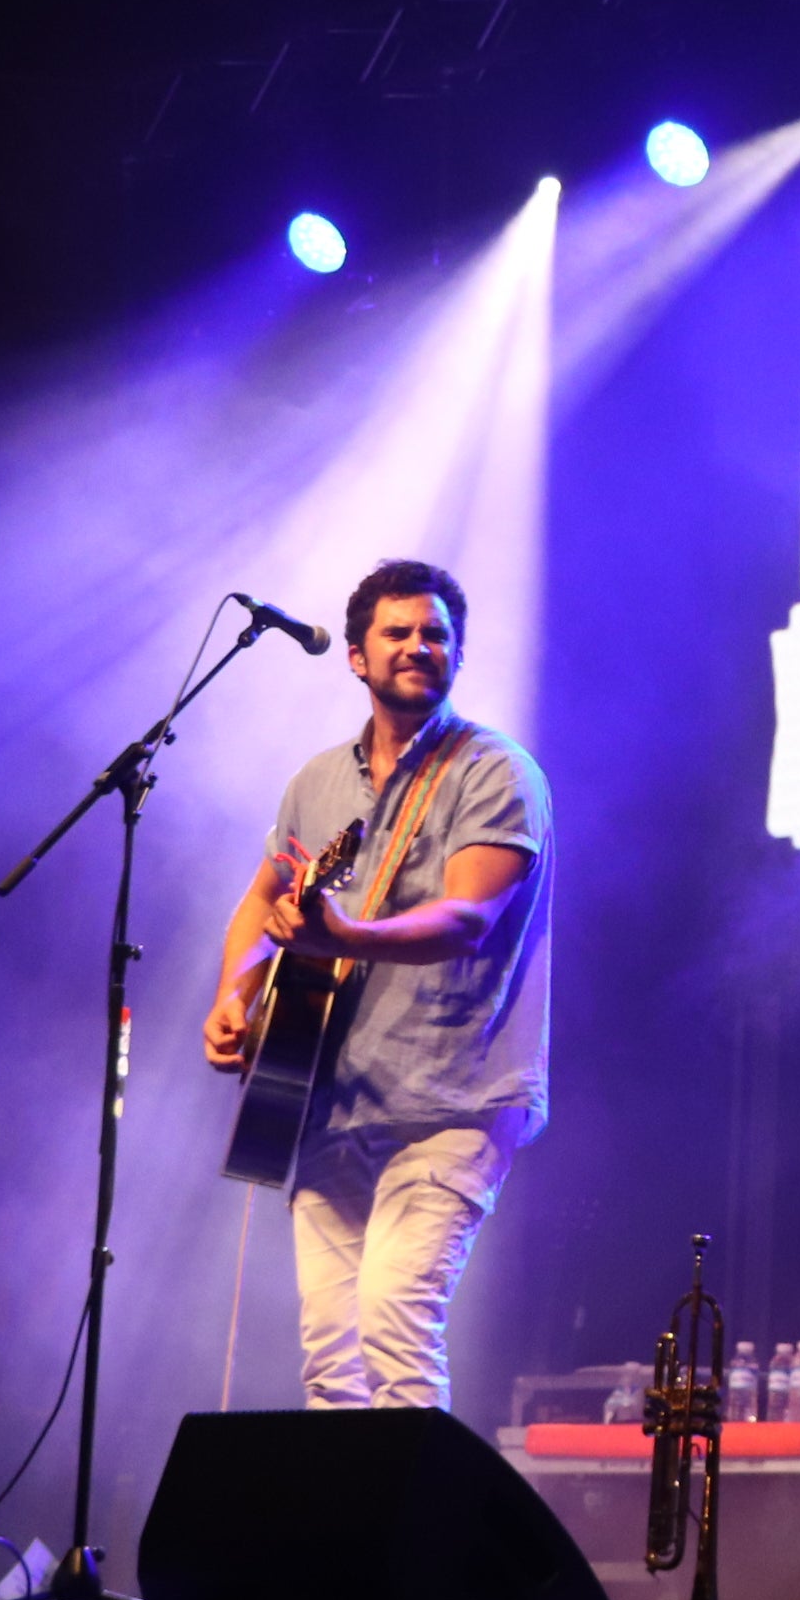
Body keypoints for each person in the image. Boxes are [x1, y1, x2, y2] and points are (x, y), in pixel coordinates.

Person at [203, 560, 550, 1415]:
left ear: (458, 655)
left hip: (452, 1098)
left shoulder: (494, 771)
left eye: (436, 634)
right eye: (397, 633)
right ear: (356, 656)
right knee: (331, 1364)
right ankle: (345, 1549)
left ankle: (414, 1548)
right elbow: (263, 898)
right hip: (327, 1097)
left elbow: (468, 918)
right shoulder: (315, 783)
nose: (418, 647)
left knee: (395, 1324)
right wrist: (233, 998)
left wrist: (349, 935)